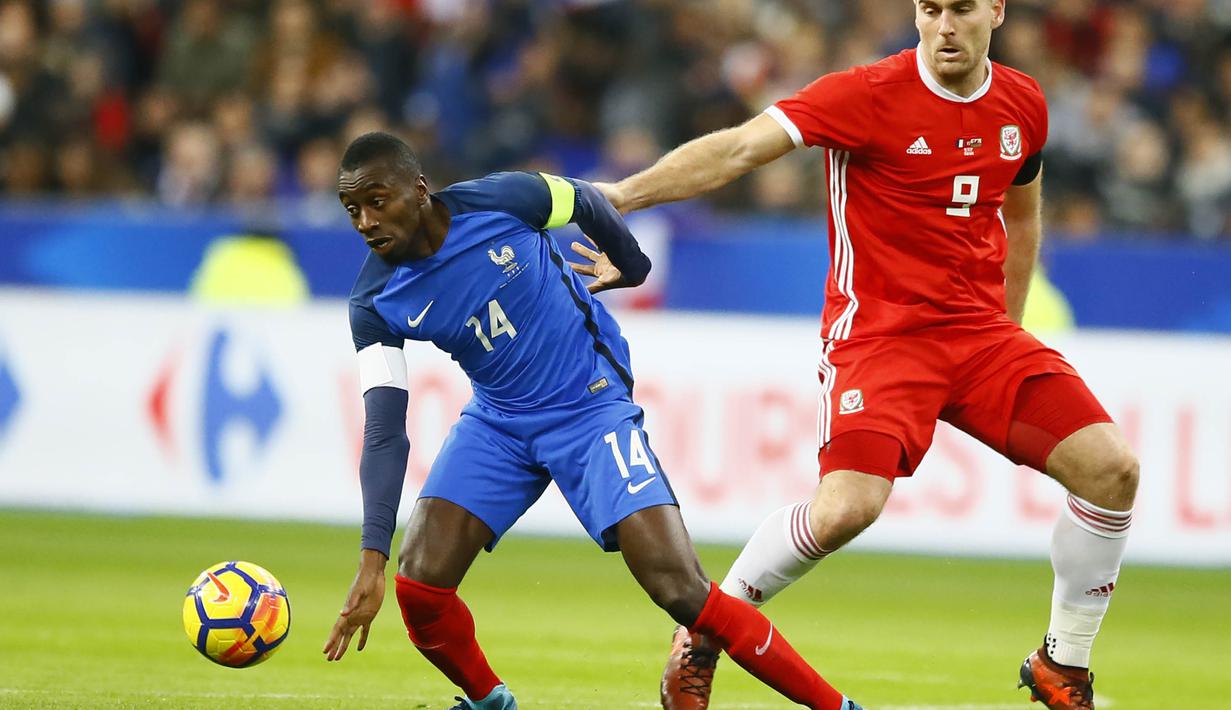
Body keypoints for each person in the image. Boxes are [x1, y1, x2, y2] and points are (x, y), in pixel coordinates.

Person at [592, 3, 1139, 710]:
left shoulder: (1022, 102)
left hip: (980, 339)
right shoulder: (864, 94)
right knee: (846, 509)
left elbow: (1021, 210)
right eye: (929, 8)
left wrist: (1006, 331)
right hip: (880, 339)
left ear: (995, 11)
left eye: (961, 8)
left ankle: (1061, 666)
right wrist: (621, 197)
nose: (944, 25)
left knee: (1112, 470)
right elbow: (736, 149)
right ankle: (706, 629)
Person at [320, 132, 864, 710]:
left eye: (377, 200)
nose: (365, 221)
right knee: (420, 583)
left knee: (680, 590)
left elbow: (584, 199)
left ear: (418, 189)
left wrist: (630, 267)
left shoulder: (504, 199)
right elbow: (383, 429)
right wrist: (370, 559)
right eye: (352, 209)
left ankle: (837, 708)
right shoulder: (374, 301)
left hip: (588, 404)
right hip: (498, 419)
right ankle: (489, 702)